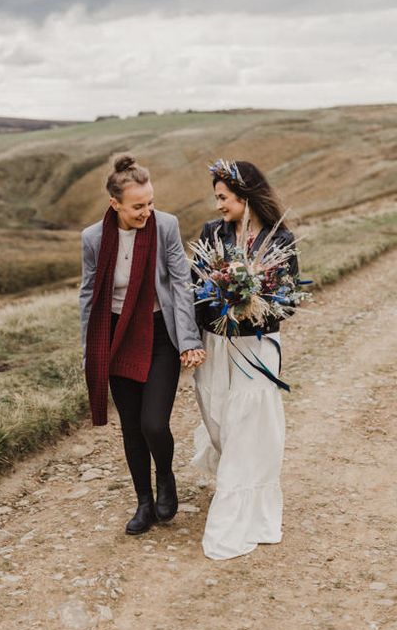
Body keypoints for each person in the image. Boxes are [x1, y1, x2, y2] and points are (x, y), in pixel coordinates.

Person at [80, 153, 206, 535]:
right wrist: (91, 350)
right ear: (114, 204)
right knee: (132, 428)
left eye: (150, 202)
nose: (147, 211)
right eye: (138, 206)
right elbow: (90, 295)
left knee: (153, 423)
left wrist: (188, 339)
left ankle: (165, 477)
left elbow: (181, 285)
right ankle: (143, 503)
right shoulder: (93, 239)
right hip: (117, 337)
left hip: (158, 336)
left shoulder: (166, 226)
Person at [191, 159, 298, 560]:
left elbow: (287, 306)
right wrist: (219, 309)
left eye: (223, 197)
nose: (218, 204)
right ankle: (235, 478)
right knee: (218, 417)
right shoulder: (211, 234)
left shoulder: (279, 239)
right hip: (216, 345)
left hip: (257, 348)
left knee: (249, 424)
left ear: (245, 195)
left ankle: (238, 507)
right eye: (216, 197)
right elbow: (195, 289)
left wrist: (251, 307)